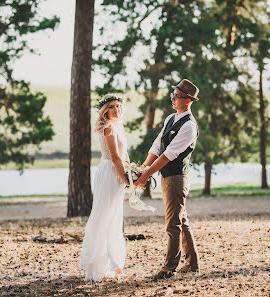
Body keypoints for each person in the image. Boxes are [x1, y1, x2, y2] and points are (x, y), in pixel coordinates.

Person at [134, 79, 200, 280]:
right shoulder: (171, 118)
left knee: (173, 224)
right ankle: (192, 263)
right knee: (181, 220)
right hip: (167, 177)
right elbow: (157, 146)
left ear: (188, 101)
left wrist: (145, 176)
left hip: (176, 178)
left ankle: (168, 268)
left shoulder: (189, 126)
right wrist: (143, 167)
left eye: (177, 96)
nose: (172, 98)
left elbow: (169, 155)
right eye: (173, 94)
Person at [79, 94, 130, 282]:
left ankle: (114, 264)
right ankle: (96, 264)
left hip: (117, 172)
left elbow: (125, 157)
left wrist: (132, 172)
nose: (116, 109)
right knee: (104, 216)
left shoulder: (117, 127)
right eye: (111, 106)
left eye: (118, 105)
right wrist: (125, 178)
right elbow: (115, 158)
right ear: (104, 111)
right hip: (110, 172)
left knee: (115, 217)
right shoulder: (108, 128)